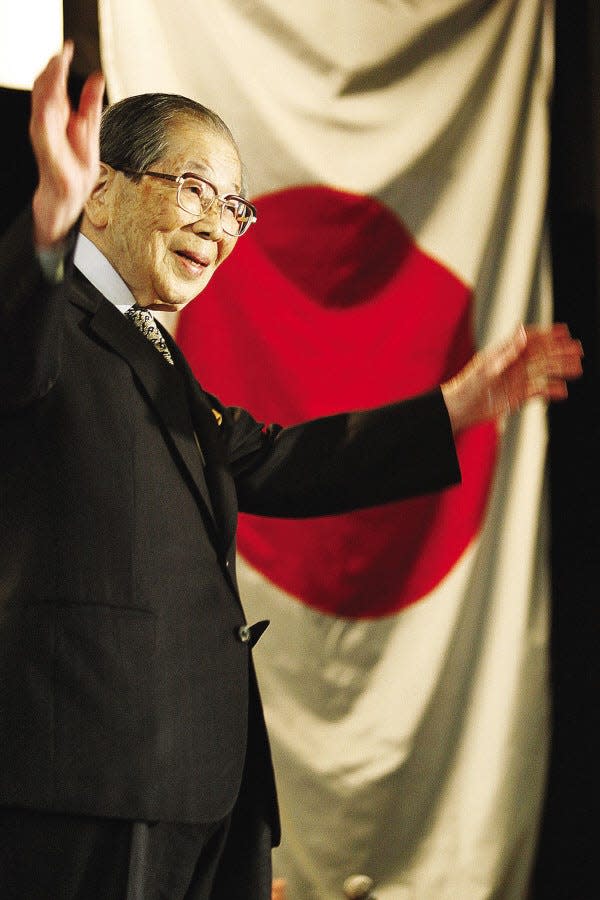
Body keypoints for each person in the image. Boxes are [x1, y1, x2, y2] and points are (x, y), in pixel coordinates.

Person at [0, 43, 583, 900]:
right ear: (100, 191)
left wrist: (455, 406)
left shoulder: (155, 353)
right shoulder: (49, 319)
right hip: (90, 781)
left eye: (234, 205)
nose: (217, 224)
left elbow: (277, 460)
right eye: (192, 187)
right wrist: (45, 219)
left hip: (201, 789)